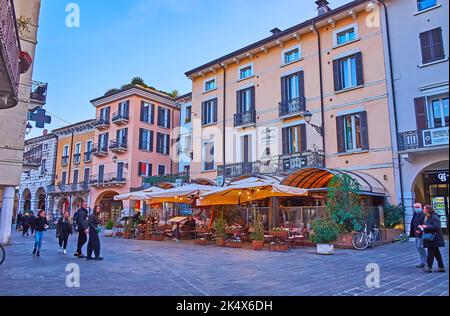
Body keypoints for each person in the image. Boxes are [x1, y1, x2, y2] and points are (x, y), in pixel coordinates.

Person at [419, 205, 446, 273]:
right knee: (436, 253)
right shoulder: (427, 216)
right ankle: (441, 267)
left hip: (434, 238)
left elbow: (436, 226)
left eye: (424, 209)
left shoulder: (434, 216)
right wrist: (422, 227)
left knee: (430, 253)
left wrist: (426, 226)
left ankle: (429, 267)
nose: (423, 210)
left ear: (428, 210)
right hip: (431, 238)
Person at [410, 203, 427, 268]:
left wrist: (419, 229)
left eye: (418, 207)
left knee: (420, 247)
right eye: (416, 207)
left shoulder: (423, 214)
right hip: (416, 233)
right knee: (418, 247)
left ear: (421, 207)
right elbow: (413, 223)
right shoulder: (415, 214)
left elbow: (424, 223)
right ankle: (423, 262)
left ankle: (424, 262)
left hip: (421, 233)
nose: (417, 208)